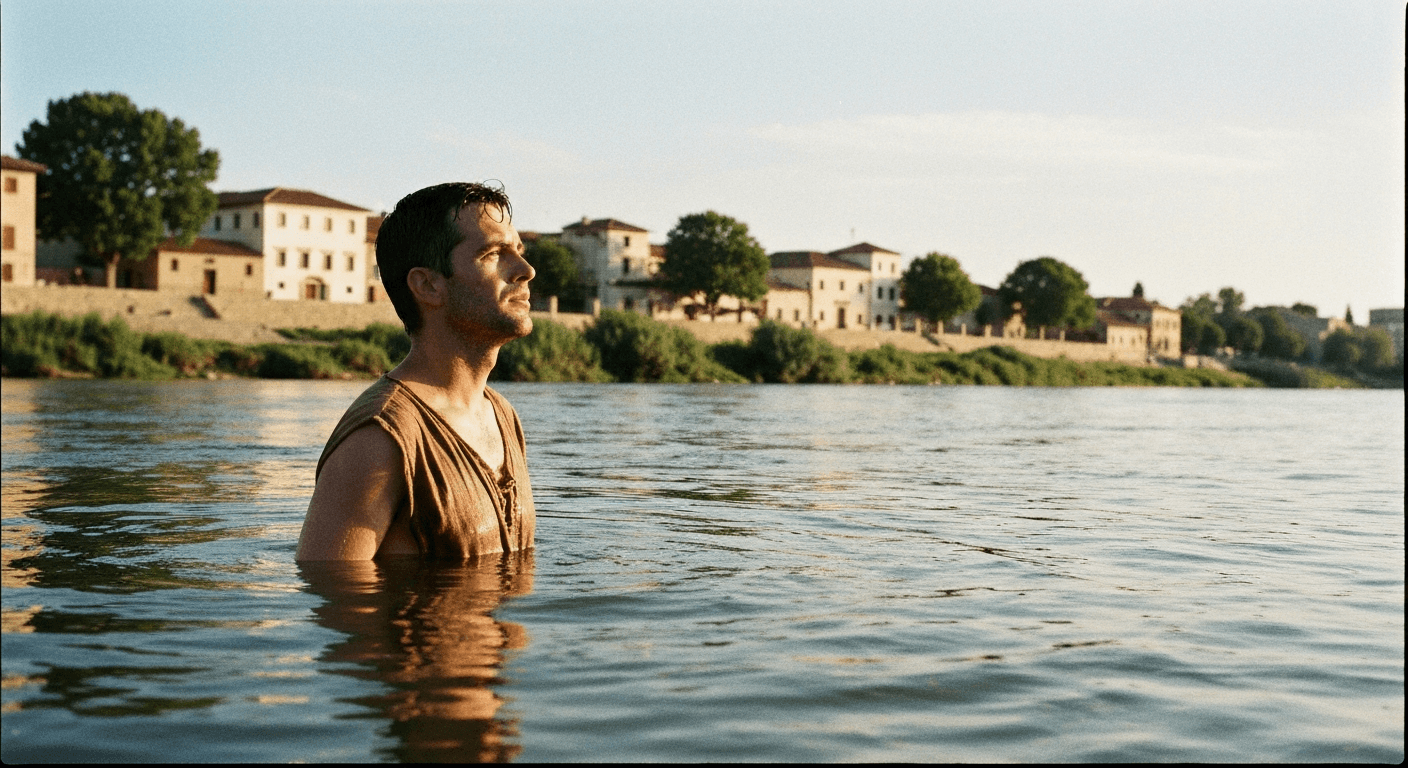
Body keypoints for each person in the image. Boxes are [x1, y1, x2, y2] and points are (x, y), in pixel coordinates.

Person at [296, 182, 537, 560]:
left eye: (518, 251)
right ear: (428, 285)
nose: (525, 270)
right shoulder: (380, 437)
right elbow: (333, 595)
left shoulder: (502, 415)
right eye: (493, 253)